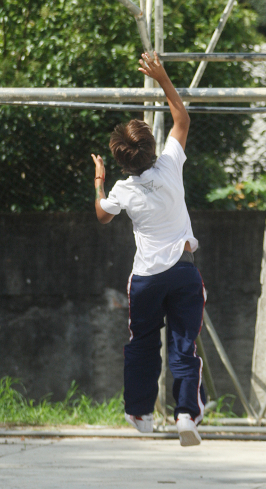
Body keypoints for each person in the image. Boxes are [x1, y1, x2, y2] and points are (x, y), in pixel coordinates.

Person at [91, 52, 206, 447]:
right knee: (183, 344)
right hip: (183, 271)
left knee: (142, 343)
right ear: (153, 150)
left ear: (123, 162)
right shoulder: (171, 166)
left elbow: (102, 216)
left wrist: (99, 183)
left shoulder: (123, 189)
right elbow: (181, 118)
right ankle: (187, 413)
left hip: (146, 279)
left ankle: (140, 413)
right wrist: (161, 77)